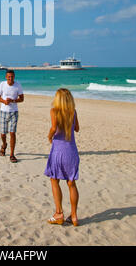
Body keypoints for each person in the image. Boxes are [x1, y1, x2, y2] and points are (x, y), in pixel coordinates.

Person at [44, 88, 80, 226]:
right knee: (71, 183)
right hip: (72, 151)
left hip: (59, 151)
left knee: (54, 180)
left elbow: (53, 128)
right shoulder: (73, 112)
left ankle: (59, 213)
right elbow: (77, 128)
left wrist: (49, 136)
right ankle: (74, 216)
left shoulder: (54, 111)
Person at [0, 70, 24, 163]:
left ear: (14, 77)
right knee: (3, 133)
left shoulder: (18, 85)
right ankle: (4, 145)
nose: (10, 78)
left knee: (12, 133)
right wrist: (4, 101)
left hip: (14, 112)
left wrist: (13, 101)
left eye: (12, 77)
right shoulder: (2, 84)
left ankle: (12, 154)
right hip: (3, 112)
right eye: (9, 77)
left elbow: (22, 99)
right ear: (6, 77)